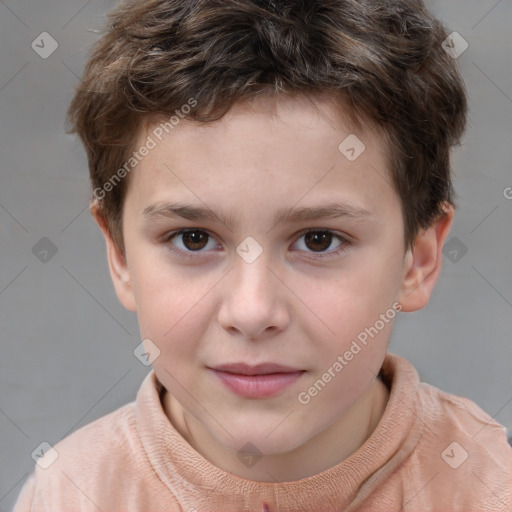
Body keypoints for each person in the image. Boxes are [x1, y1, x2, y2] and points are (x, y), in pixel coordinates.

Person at [13, 0, 512, 510]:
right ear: (119, 254)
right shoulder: (68, 494)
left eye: (319, 239)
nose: (252, 312)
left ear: (418, 258)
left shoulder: (492, 485)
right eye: (193, 239)